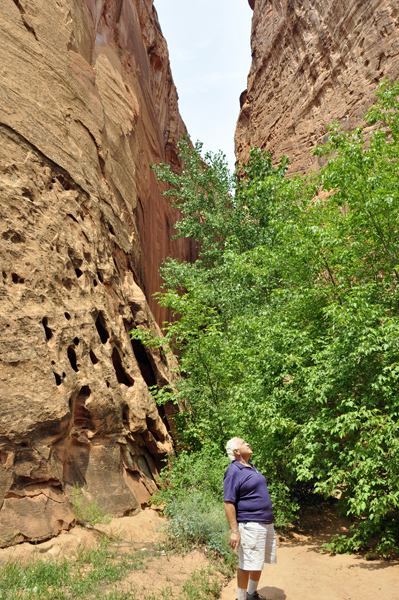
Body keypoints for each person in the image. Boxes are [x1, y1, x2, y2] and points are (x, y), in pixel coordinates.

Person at [223, 438, 276, 600]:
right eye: (243, 442)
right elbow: (228, 502)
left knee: (257, 562)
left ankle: (252, 594)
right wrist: (234, 531)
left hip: (264, 522)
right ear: (236, 451)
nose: (248, 443)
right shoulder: (233, 470)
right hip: (250, 524)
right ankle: (241, 598)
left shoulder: (251, 467)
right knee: (246, 564)